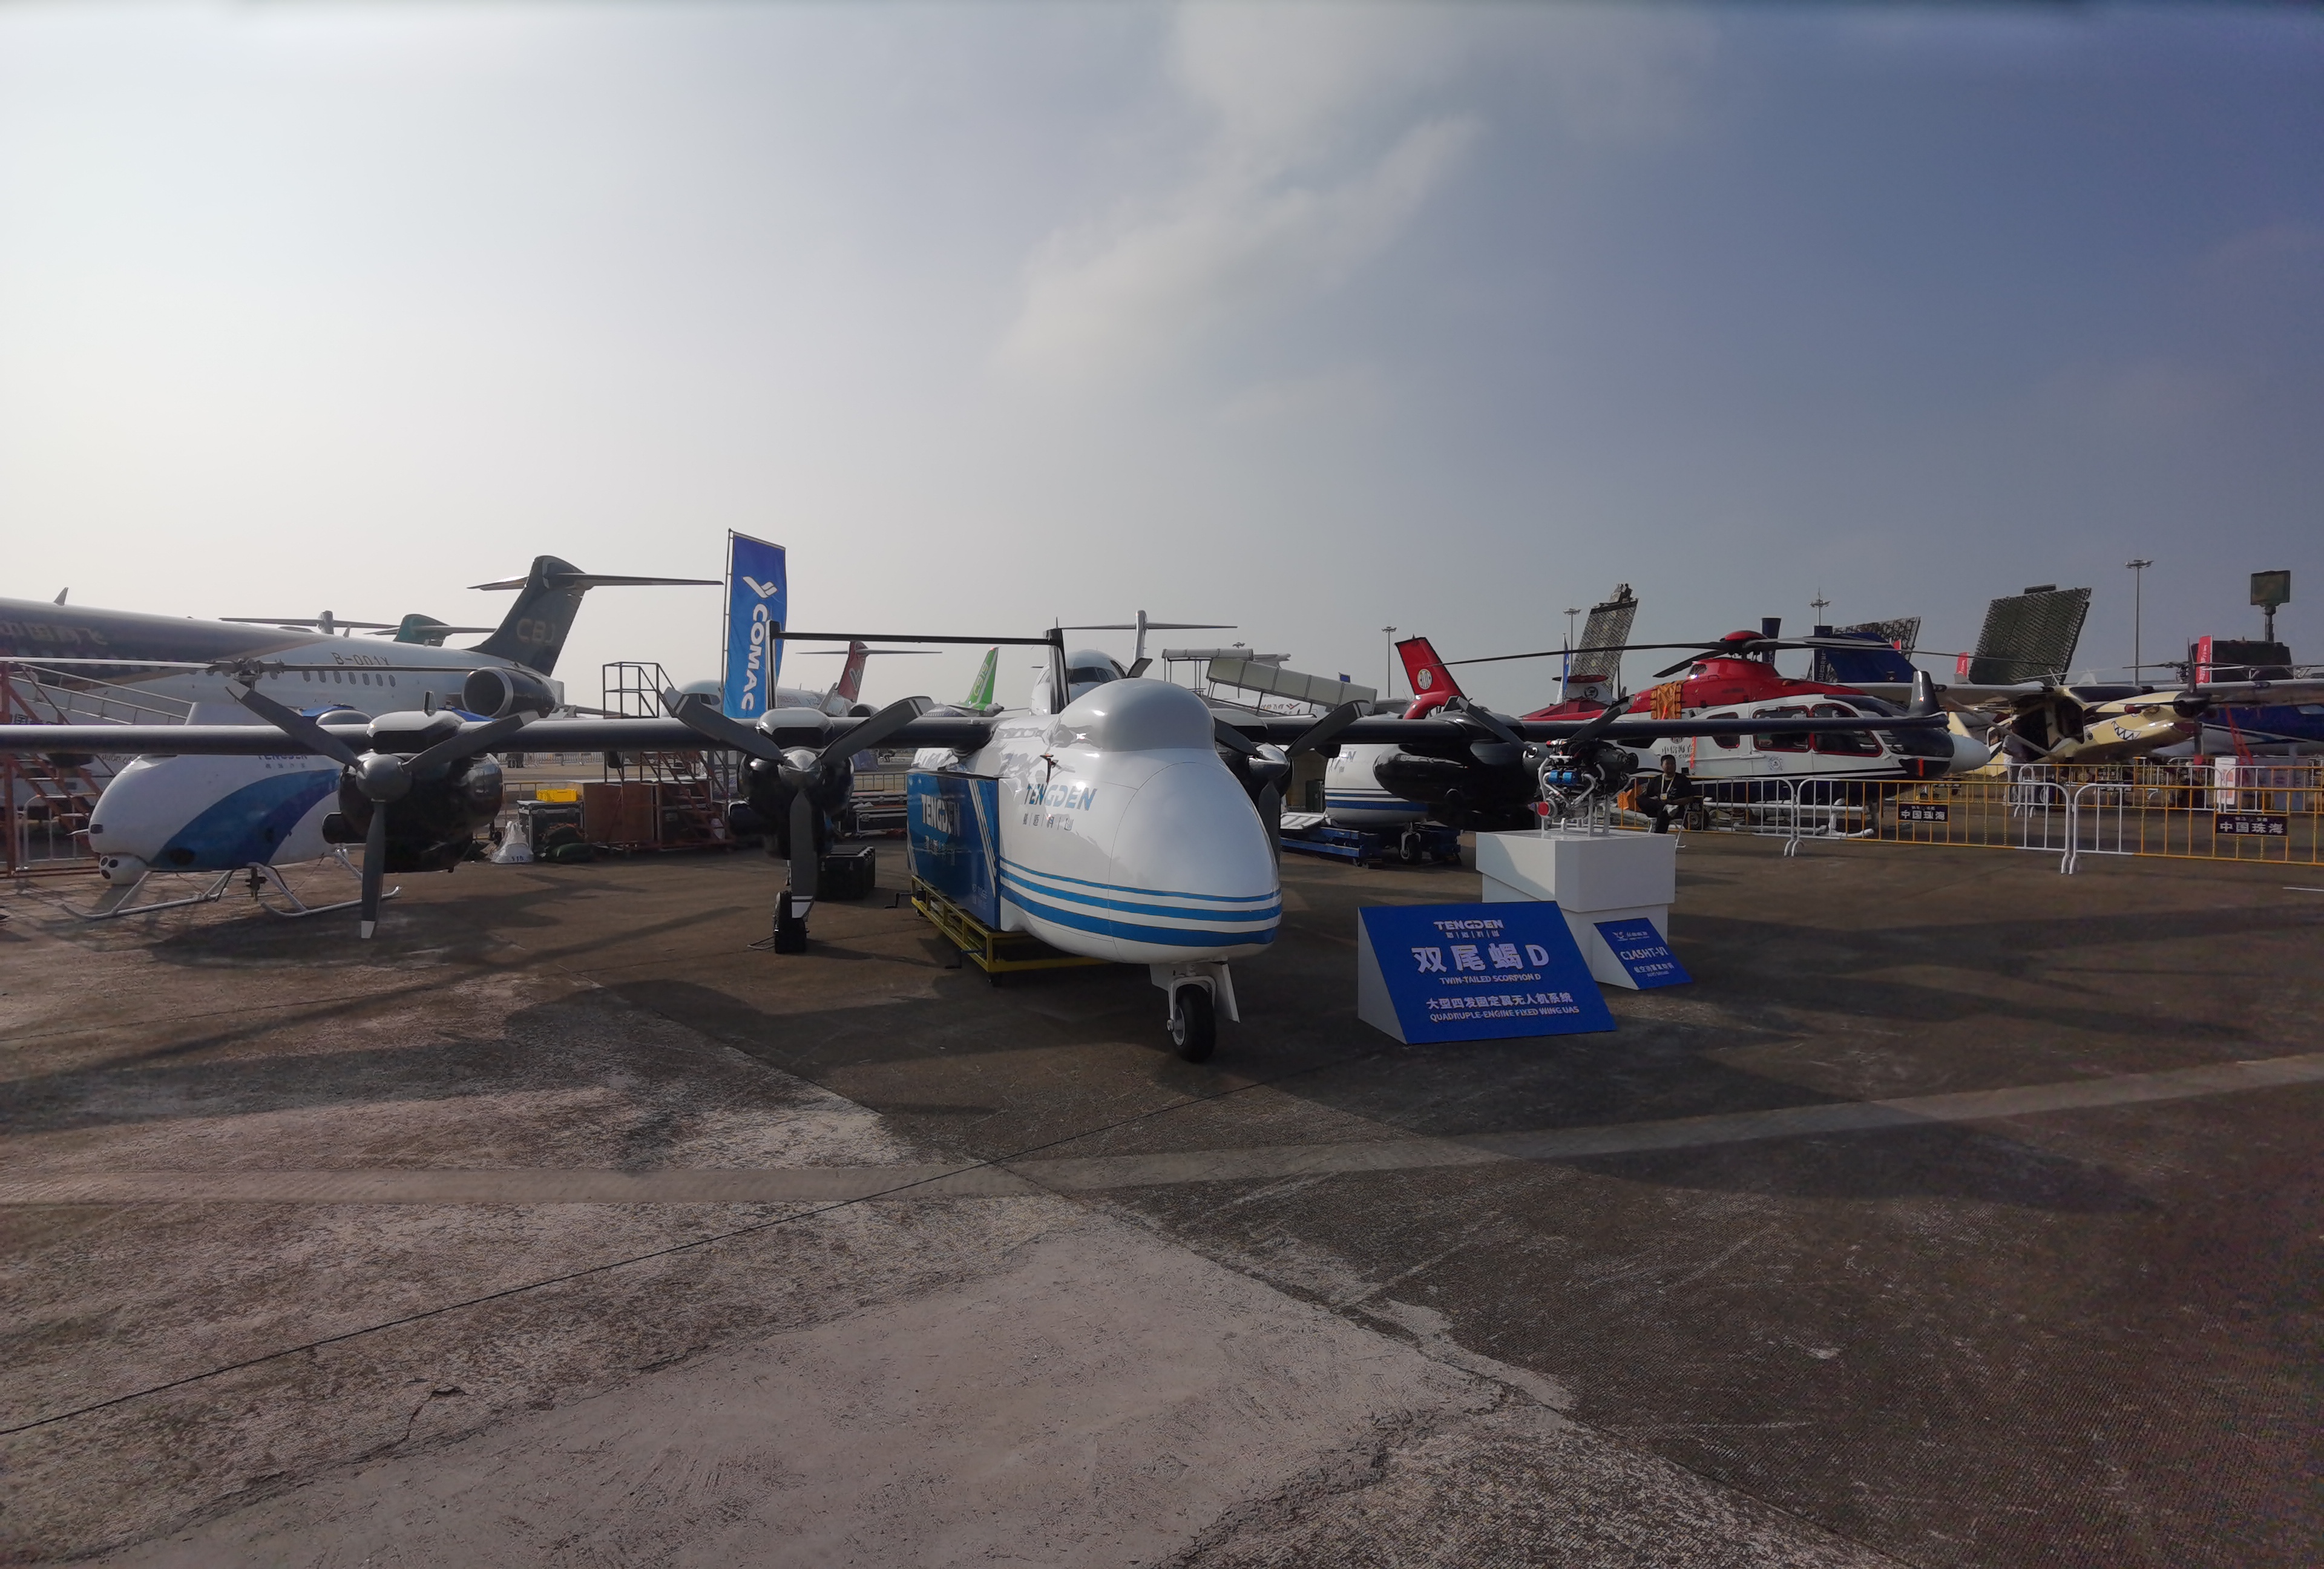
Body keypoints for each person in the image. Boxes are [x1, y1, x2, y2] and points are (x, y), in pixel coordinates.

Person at [1639, 753, 1696, 834]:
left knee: (1664, 812)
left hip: (1675, 809)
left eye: (1673, 764)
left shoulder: (1682, 780)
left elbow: (1690, 798)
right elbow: (1649, 796)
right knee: (1640, 799)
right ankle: (1663, 806)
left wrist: (1672, 803)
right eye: (1668, 764)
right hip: (1657, 807)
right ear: (1662, 765)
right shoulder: (1656, 780)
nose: (1671, 766)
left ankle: (1659, 837)